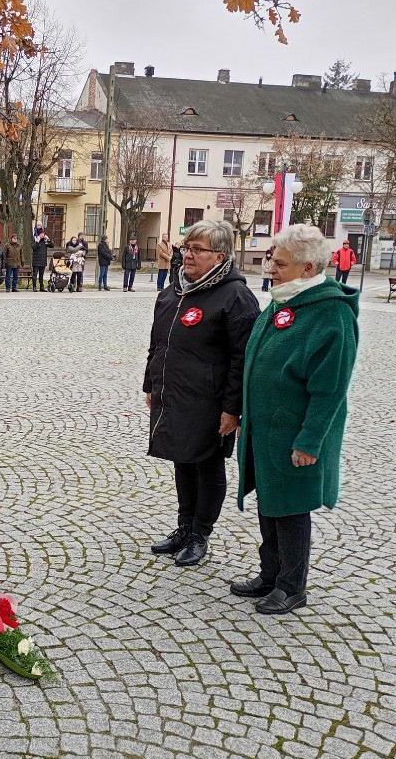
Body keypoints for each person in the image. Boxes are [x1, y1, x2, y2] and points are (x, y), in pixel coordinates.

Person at [232, 224, 359, 615]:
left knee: (290, 508)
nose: (271, 267)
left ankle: (292, 586)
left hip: (294, 432)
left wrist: (309, 441)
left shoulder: (330, 314)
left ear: (308, 269)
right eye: (272, 259)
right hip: (265, 427)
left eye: (280, 263)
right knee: (270, 502)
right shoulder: (283, 301)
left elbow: (330, 389)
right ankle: (270, 574)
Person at [144, 220, 260, 567]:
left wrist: (232, 408)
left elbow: (244, 359)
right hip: (175, 393)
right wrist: (151, 383)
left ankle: (200, 533)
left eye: (197, 249)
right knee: (183, 459)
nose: (188, 254)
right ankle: (184, 525)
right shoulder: (174, 290)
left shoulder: (236, 296)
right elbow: (158, 342)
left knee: (207, 466)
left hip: (210, 402)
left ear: (219, 256)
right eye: (186, 247)